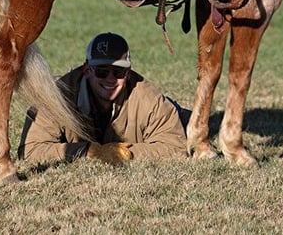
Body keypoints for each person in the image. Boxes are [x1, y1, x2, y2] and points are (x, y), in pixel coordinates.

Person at [18, 32, 188, 166]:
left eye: (118, 72)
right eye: (101, 71)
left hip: (176, 115)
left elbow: (175, 147)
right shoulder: (57, 96)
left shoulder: (149, 99)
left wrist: (126, 153)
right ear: (87, 70)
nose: (110, 79)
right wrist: (87, 152)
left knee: (189, 122)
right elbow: (30, 151)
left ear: (128, 74)